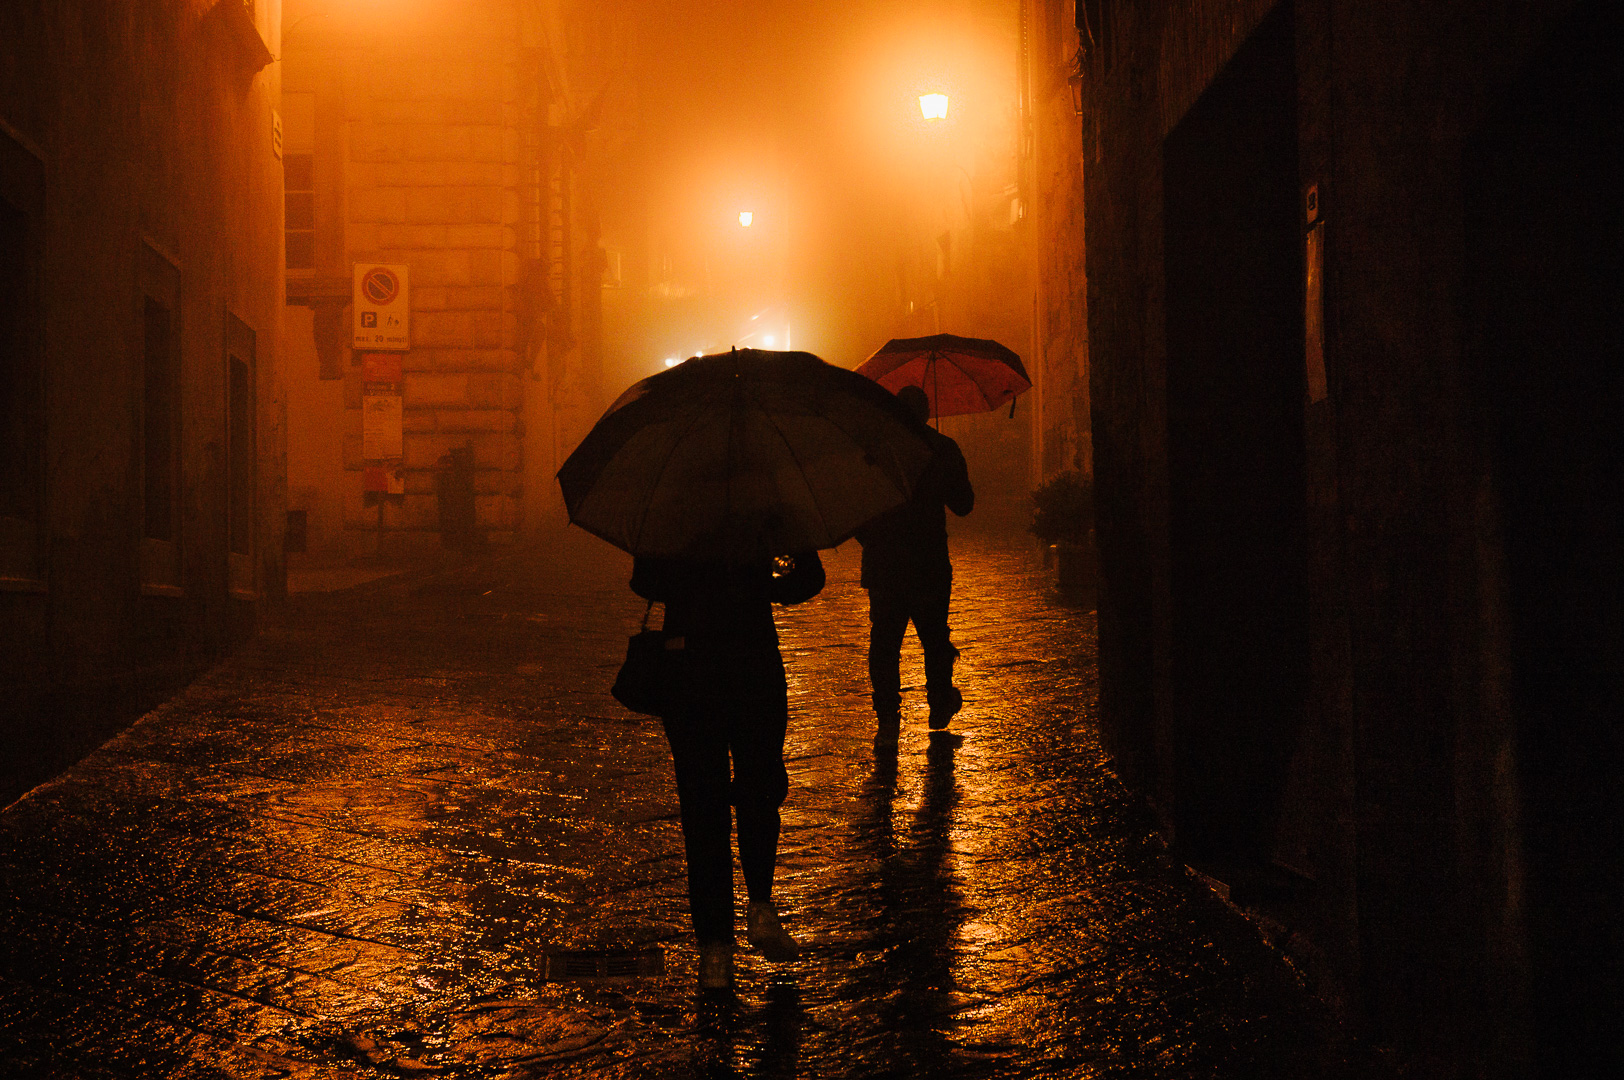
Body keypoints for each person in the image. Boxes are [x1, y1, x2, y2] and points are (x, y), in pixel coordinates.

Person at [630, 549, 825, 990]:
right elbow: (807, 580)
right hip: (752, 664)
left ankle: (715, 948)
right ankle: (759, 907)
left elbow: (645, 581)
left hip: (689, 668)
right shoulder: (769, 504)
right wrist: (763, 578)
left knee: (704, 810)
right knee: (759, 789)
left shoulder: (674, 508)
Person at [856, 385, 975, 735]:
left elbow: (858, 509)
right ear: (926, 413)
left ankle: (888, 719)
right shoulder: (942, 449)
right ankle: (939, 704)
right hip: (929, 565)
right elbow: (964, 505)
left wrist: (873, 542)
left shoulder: (875, 453)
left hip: (884, 567)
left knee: (884, 643)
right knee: (935, 637)